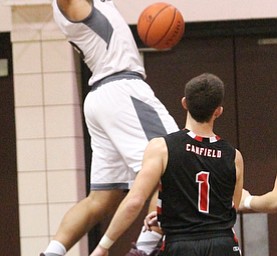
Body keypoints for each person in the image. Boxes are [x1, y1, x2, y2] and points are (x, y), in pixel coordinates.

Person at [40, 1, 179, 256]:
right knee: (175, 167)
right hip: (122, 91)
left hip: (103, 96)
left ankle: (51, 253)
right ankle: (145, 251)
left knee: (103, 198)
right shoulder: (73, 5)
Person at [90, 73, 244, 256]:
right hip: (223, 244)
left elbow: (134, 201)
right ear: (218, 111)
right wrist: (171, 216)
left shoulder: (162, 147)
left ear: (185, 103)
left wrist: (104, 246)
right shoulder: (234, 156)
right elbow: (230, 206)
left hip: (182, 244)